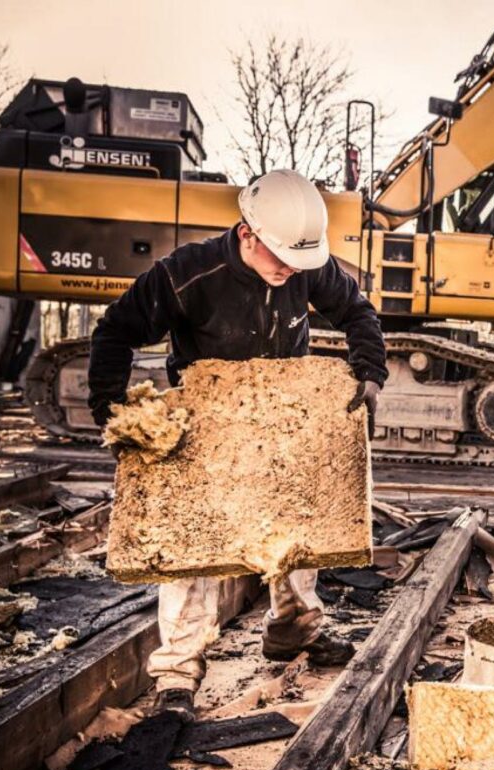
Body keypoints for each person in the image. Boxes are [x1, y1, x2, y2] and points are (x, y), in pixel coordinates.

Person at [87, 169, 387, 719]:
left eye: (299, 264)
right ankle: (177, 674)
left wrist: (370, 372)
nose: (291, 273)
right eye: (281, 261)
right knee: (189, 552)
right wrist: (112, 410)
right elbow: (115, 331)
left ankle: (293, 633)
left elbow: (358, 313)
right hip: (207, 428)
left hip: (281, 422)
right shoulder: (186, 274)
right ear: (248, 234)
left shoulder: (302, 266)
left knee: (299, 538)